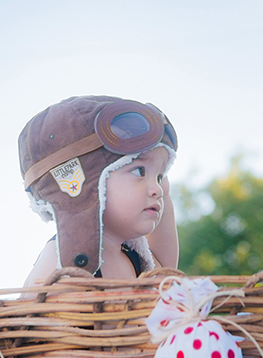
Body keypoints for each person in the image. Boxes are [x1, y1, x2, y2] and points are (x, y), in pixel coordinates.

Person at [19, 96, 179, 284]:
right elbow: (39, 306)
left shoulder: (133, 258)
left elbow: (166, 276)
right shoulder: (61, 265)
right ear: (87, 187)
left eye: (159, 177)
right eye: (138, 171)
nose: (157, 190)